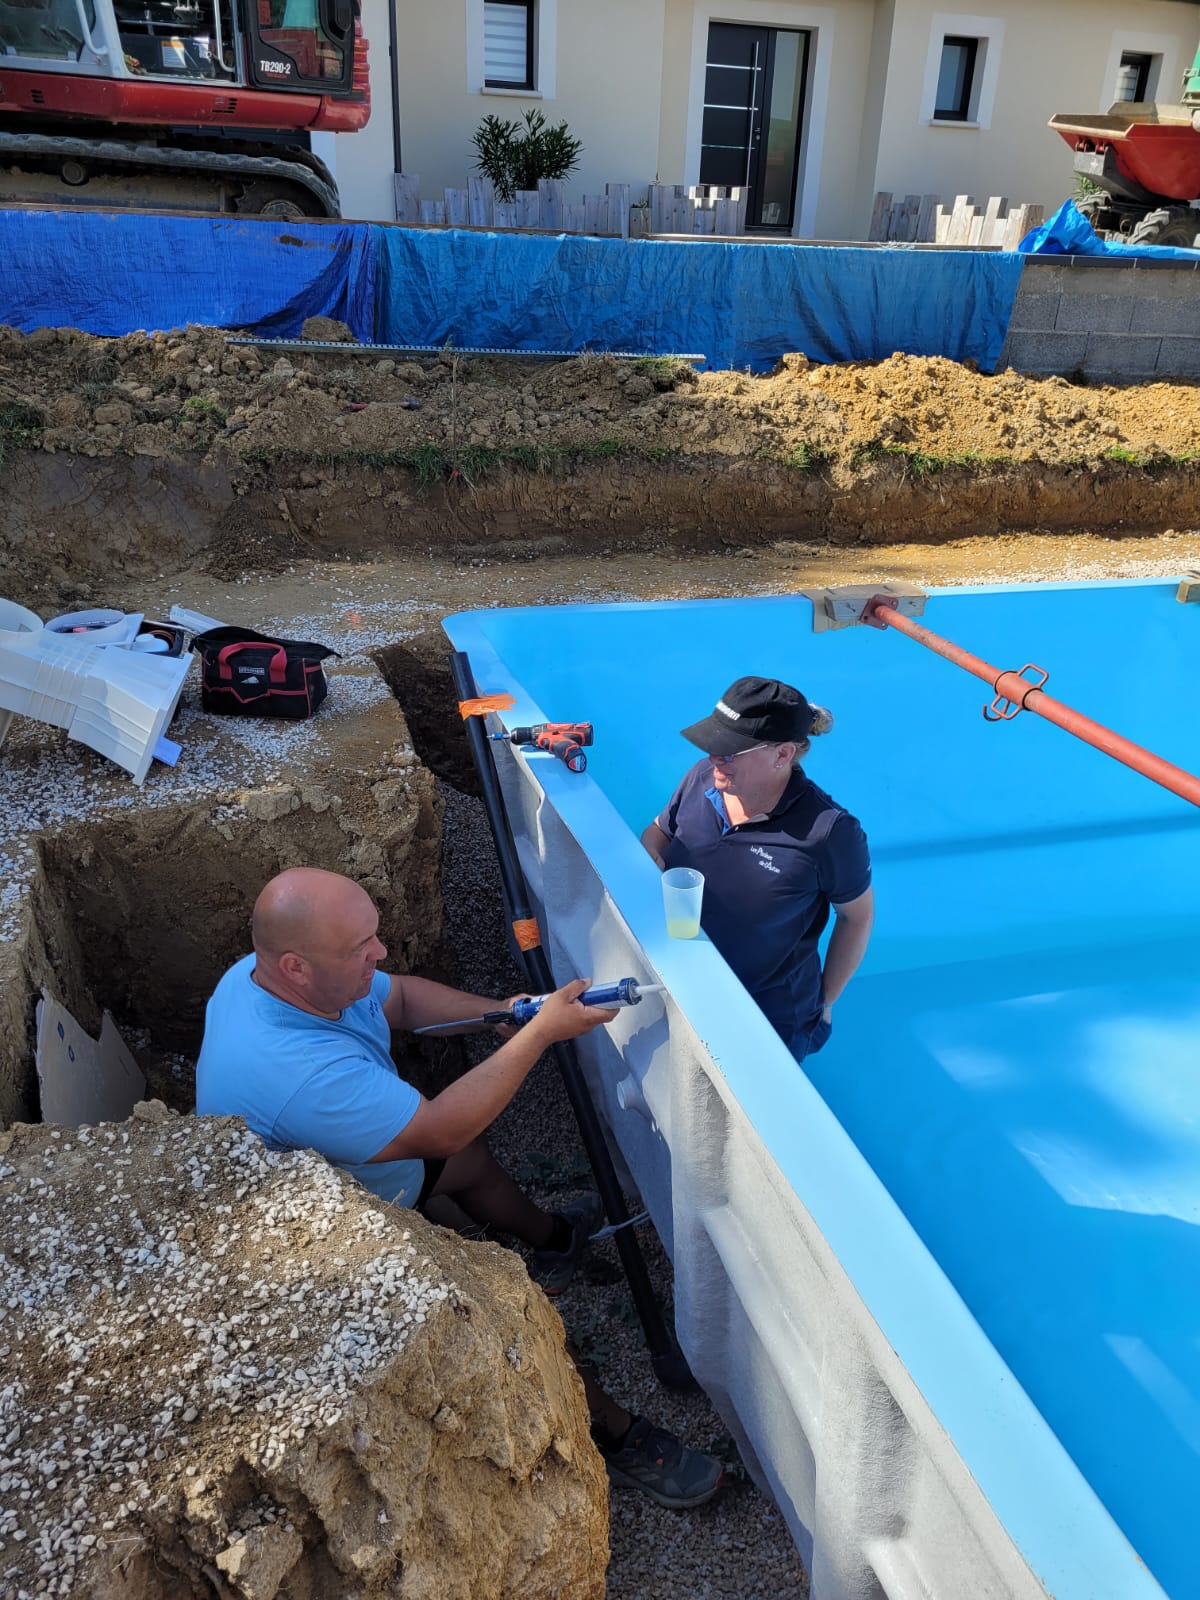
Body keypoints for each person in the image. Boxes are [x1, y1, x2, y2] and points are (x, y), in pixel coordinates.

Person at [196, 866, 723, 1510]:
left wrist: (500, 1014)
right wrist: (538, 1034)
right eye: (359, 948)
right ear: (295, 967)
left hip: (367, 1162)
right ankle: (616, 1434)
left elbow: (403, 1000)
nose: (379, 954)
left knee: (471, 1166)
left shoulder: (280, 981)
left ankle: (556, 1239)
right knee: (506, 1316)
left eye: (375, 936)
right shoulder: (296, 1072)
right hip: (349, 1234)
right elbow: (439, 1130)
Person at [642, 676, 874, 1062]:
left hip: (767, 1016)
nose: (716, 758)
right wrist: (646, 858)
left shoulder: (829, 832)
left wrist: (826, 1001)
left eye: (730, 751)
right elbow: (659, 831)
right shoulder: (702, 777)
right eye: (713, 743)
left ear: (783, 755)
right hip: (684, 983)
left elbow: (858, 918)